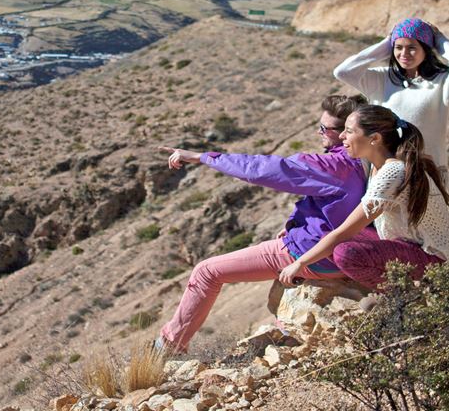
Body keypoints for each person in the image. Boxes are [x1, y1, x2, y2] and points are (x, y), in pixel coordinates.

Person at [154, 93, 370, 354]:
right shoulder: (367, 160)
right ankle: (287, 331)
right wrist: (294, 223)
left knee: (206, 272)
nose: (319, 131)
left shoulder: (332, 164)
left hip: (313, 254)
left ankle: (167, 347)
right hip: (344, 250)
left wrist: (204, 157)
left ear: (347, 131)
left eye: (325, 128)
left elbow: (262, 168)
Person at [277, 104, 449, 291]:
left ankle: (402, 298)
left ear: (375, 139)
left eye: (349, 131)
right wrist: (297, 225)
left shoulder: (392, 172)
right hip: (406, 244)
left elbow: (344, 232)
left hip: (433, 259)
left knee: (345, 253)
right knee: (326, 234)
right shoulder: (376, 166)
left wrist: (300, 263)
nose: (341, 136)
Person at [333, 18, 449, 180]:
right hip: (384, 175)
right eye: (399, 48)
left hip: (427, 175)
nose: (404, 54)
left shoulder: (442, 82)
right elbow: (342, 72)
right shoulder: (381, 78)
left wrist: (439, 40)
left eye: (412, 48)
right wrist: (387, 43)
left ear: (426, 49)